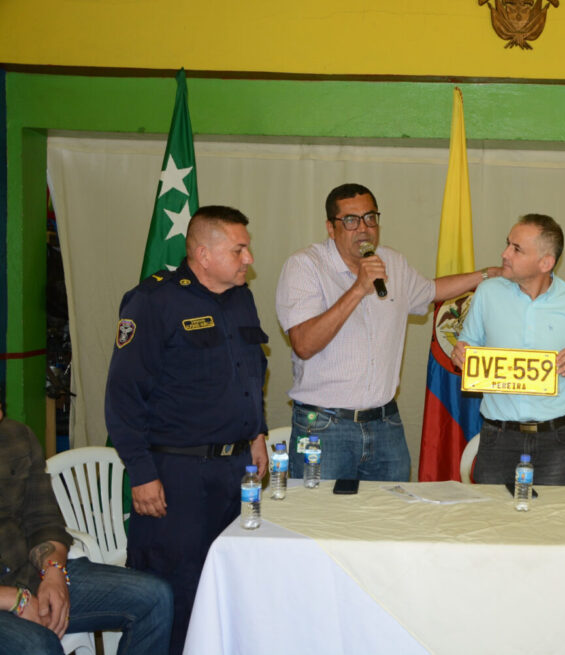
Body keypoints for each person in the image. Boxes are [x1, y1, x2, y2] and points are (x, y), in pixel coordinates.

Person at [105, 205, 269, 655]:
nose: (249, 258)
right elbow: (123, 397)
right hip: (177, 475)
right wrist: (141, 472)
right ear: (203, 254)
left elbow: (252, 371)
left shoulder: (241, 298)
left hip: (234, 472)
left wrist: (256, 432)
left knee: (227, 589)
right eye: (238, 249)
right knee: (173, 595)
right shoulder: (153, 302)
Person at [275, 183, 500, 481]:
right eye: (351, 220)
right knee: (321, 512)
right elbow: (304, 344)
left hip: (385, 425)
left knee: (391, 511)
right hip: (325, 426)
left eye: (370, 218)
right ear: (331, 228)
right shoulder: (305, 266)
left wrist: (485, 275)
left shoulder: (392, 262)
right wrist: (358, 288)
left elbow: (431, 291)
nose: (363, 228)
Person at [451, 214, 565, 485]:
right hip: (498, 438)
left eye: (516, 249)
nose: (504, 254)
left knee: (555, 513)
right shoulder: (487, 293)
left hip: (558, 439)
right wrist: (462, 354)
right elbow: (469, 342)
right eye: (507, 244)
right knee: (492, 512)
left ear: (545, 263)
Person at [0, 403, 172, 655]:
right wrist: (13, 599)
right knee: (38, 645)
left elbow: (44, 520)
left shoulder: (17, 437)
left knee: (155, 597)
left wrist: (54, 572)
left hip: (28, 574)